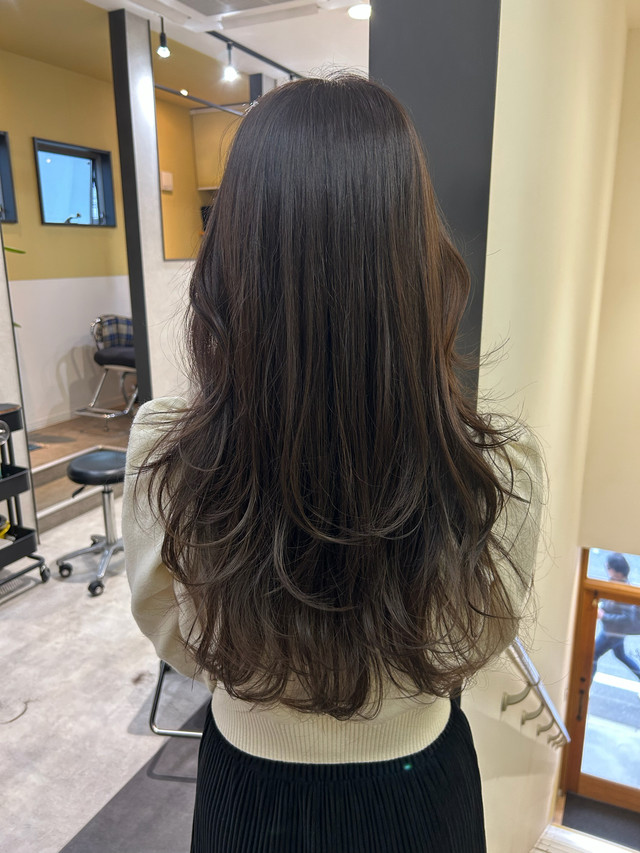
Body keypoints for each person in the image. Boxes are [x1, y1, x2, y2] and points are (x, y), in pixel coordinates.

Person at [122, 74, 543, 853]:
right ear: (417, 255)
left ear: (231, 254)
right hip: (421, 788)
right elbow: (474, 642)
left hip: (248, 786)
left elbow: (175, 636)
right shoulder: (497, 467)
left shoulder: (167, 453)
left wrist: (272, 680)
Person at [592, 552, 640, 684]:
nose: (607, 569)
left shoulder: (622, 590)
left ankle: (584, 688)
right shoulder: (616, 583)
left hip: (612, 633)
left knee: (592, 656)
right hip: (617, 633)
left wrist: (603, 616)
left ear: (617, 573)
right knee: (621, 655)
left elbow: (628, 619)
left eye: (608, 567)